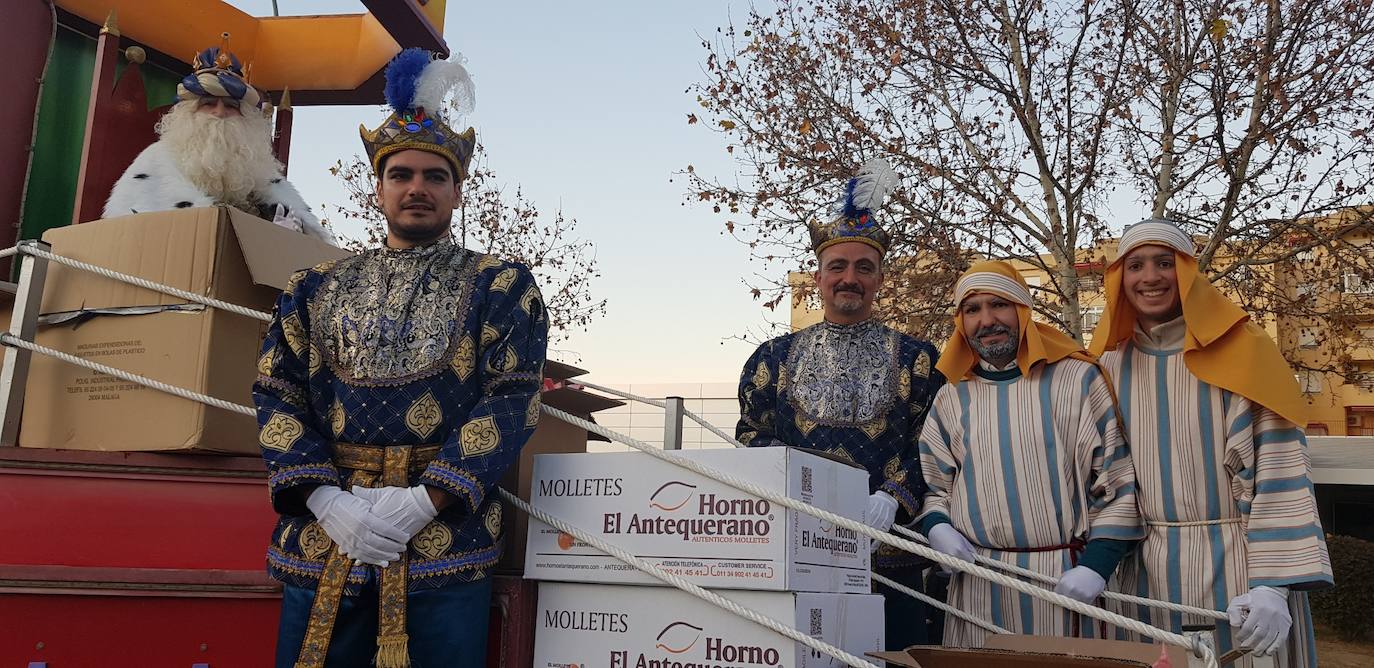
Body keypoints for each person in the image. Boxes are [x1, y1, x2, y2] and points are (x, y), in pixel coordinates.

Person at [253, 48, 545, 668]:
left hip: (444, 538)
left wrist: (423, 500)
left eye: (434, 176)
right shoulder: (311, 288)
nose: (417, 188)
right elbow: (277, 392)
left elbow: (513, 396)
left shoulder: (500, 285)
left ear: (458, 191)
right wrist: (326, 501)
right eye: (402, 174)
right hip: (328, 533)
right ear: (378, 187)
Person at [1090, 218, 1332, 667]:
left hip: (1240, 570)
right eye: (1136, 265)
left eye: (1165, 262)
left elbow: (1280, 467)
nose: (1150, 277)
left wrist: (1272, 584)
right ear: (1119, 280)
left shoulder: (1245, 348)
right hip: (1144, 573)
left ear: (1188, 272)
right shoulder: (1107, 365)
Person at [735, 159, 944, 649]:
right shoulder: (773, 357)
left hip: (893, 558)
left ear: (879, 279)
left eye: (863, 268)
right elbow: (750, 434)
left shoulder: (918, 359)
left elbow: (935, 442)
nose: (850, 277)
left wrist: (894, 497)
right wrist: (800, 493)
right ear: (819, 277)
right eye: (838, 267)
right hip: (797, 552)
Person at [916, 260, 1143, 647]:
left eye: (999, 305)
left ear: (1022, 310)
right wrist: (936, 526)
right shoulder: (951, 397)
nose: (987, 320)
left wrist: (1097, 567)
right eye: (972, 310)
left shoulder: (1079, 379)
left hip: (1067, 583)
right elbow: (937, 487)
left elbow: (1116, 482)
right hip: (979, 587)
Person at [104, 36, 334, 244]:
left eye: (231, 106)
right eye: (208, 104)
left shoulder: (264, 176)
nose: (220, 112)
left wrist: (286, 241)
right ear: (189, 113)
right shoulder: (155, 164)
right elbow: (128, 241)